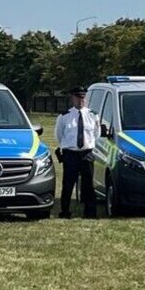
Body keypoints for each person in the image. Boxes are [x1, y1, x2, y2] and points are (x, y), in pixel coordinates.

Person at [55, 88, 99, 218]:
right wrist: (67, 146)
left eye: (83, 98)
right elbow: (59, 135)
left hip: (87, 153)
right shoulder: (64, 116)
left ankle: (90, 213)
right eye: (78, 98)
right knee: (68, 184)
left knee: (89, 185)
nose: (81, 101)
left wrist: (89, 146)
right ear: (72, 98)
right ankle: (65, 212)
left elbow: (96, 134)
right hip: (71, 154)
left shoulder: (93, 115)